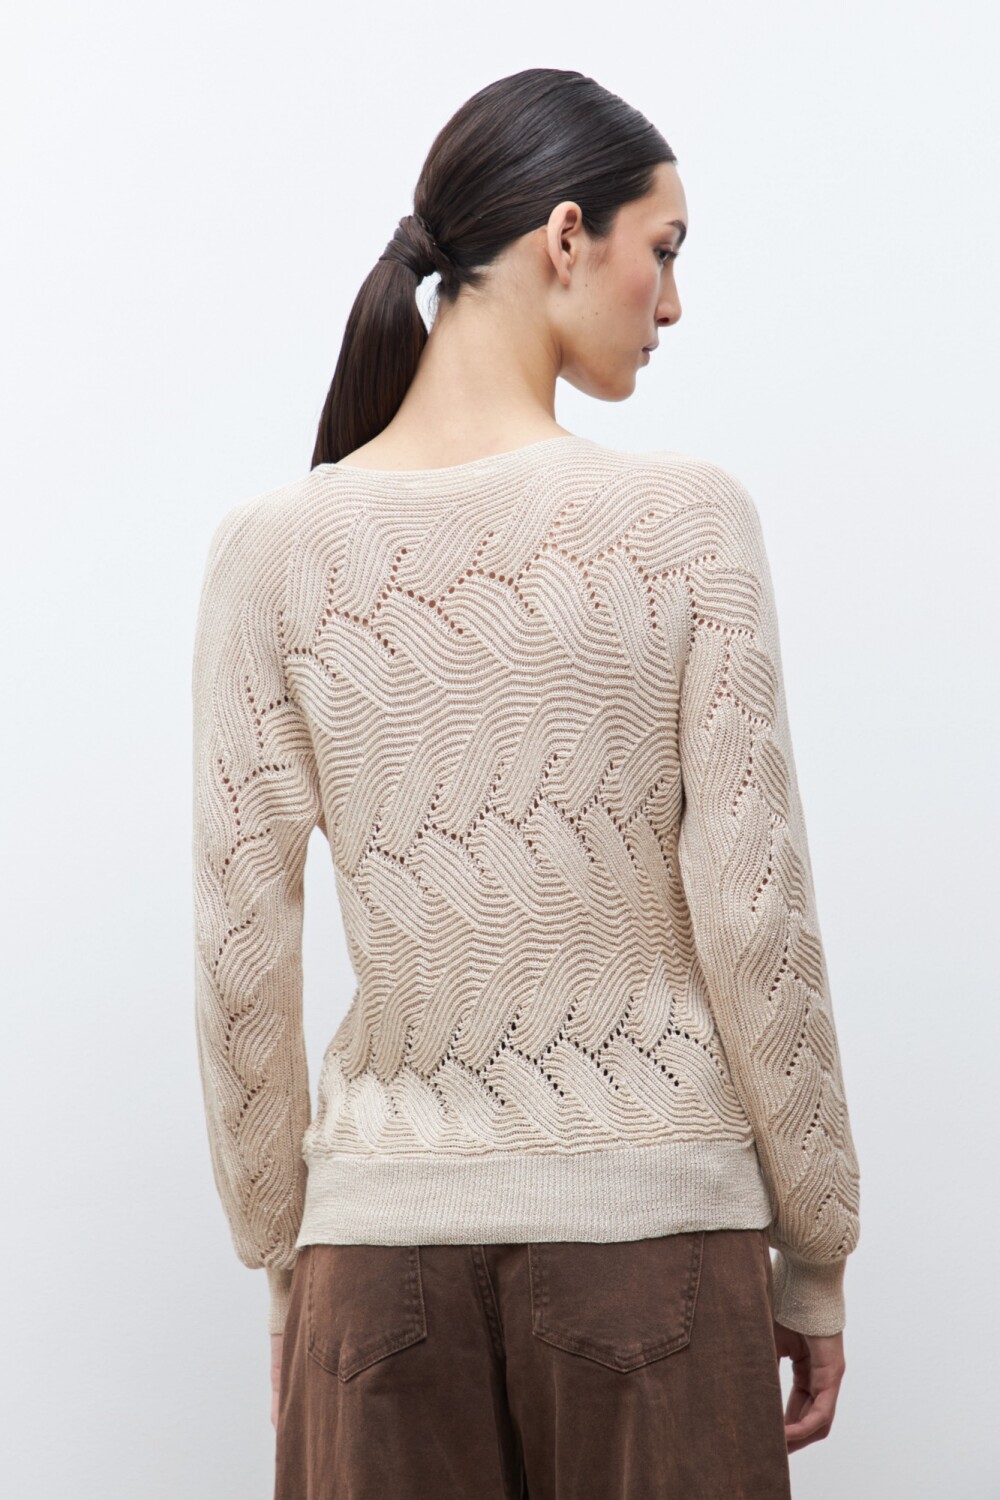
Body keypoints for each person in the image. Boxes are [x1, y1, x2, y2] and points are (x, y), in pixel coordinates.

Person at [191, 66, 861, 1499]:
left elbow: (242, 955)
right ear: (567, 236)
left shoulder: (270, 551)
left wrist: (288, 1258)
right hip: (652, 1248)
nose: (672, 304)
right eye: (662, 250)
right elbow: (757, 917)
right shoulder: (683, 524)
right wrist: (815, 1250)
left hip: (375, 1275)